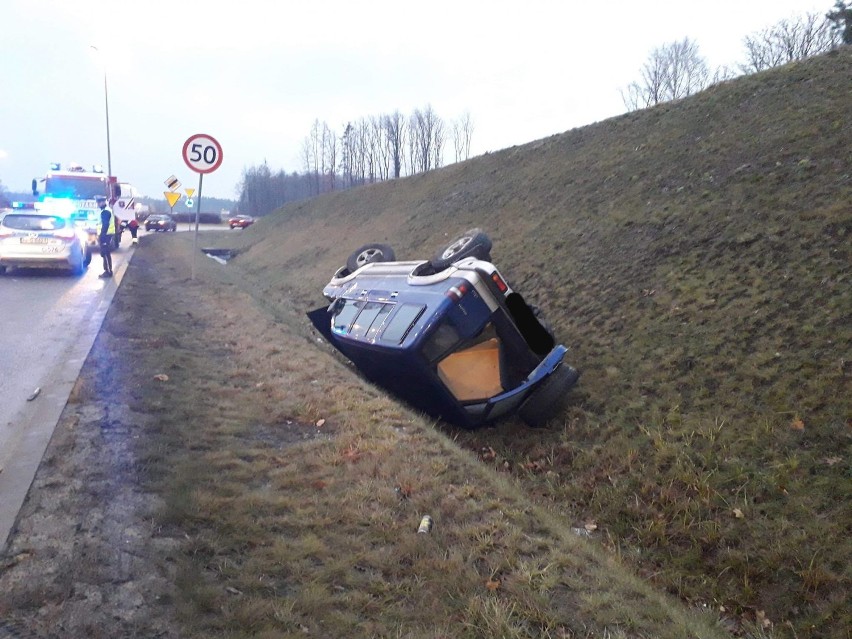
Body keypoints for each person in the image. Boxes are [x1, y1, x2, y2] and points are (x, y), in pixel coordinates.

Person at [96, 195, 115, 277]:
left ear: (103, 202)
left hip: (106, 235)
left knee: (105, 253)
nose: (97, 204)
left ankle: (108, 271)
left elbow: (105, 224)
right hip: (107, 234)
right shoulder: (106, 210)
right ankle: (108, 270)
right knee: (106, 253)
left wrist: (102, 236)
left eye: (98, 202)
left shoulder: (105, 212)